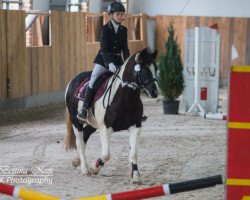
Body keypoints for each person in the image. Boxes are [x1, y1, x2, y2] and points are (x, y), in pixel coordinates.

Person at [77, 1, 130, 121]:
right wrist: (109, 64)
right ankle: (84, 109)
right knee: (92, 81)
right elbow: (104, 49)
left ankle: (130, 109)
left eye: (122, 14)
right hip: (103, 60)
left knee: (128, 82)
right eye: (118, 14)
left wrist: (127, 63)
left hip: (118, 61)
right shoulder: (105, 29)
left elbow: (125, 49)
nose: (120, 17)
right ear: (111, 15)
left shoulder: (124, 30)